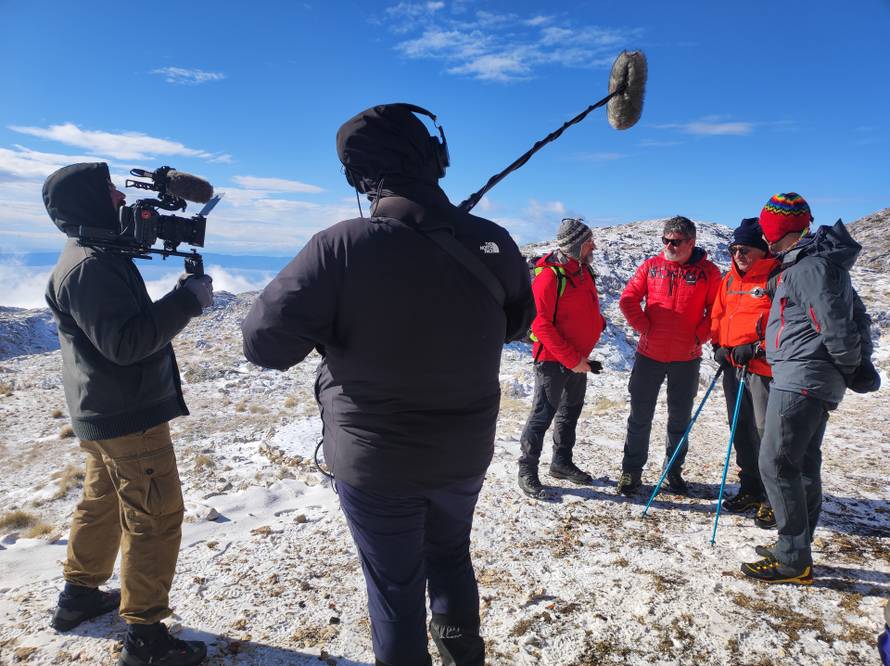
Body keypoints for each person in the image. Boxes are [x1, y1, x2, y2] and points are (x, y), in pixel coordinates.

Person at [241, 103, 534, 666]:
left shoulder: (340, 246)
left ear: (358, 176)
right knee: (450, 555)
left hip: (376, 463)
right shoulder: (492, 240)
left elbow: (265, 346)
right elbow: (516, 324)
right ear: (436, 158)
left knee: (396, 589)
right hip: (464, 450)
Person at [43, 162, 212, 666]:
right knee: (155, 516)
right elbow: (127, 343)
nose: (120, 198)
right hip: (128, 413)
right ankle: (146, 638)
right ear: (89, 203)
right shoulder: (91, 266)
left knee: (103, 501)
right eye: (111, 192)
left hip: (103, 410)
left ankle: (78, 595)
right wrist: (185, 300)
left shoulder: (91, 255)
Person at [741, 193, 880, 585]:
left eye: (768, 228)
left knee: (776, 463)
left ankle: (791, 559)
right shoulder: (814, 265)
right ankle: (796, 550)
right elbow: (857, 316)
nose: (765, 236)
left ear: (777, 230)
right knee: (800, 465)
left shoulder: (810, 269)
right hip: (807, 378)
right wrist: (856, 366)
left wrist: (854, 367)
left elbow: (836, 325)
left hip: (802, 380)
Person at [616, 216, 721, 496]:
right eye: (665, 240)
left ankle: (672, 471)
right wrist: (643, 327)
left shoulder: (709, 272)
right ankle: (631, 472)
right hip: (649, 355)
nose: (669, 246)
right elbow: (627, 299)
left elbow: (717, 311)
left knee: (679, 419)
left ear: (691, 242)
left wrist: (698, 337)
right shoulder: (651, 267)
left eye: (675, 242)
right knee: (640, 417)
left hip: (686, 359)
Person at [517, 217, 606, 499]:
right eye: (589, 241)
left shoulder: (583, 271)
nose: (594, 245)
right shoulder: (549, 277)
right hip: (553, 361)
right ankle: (527, 470)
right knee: (542, 415)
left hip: (578, 358)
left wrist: (597, 324)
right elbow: (540, 324)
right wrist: (571, 359)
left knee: (570, 412)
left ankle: (561, 463)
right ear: (578, 245)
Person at [710, 218, 778, 529]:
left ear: (762, 250)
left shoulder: (777, 277)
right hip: (733, 367)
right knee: (741, 430)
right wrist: (718, 345)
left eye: (745, 249)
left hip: (765, 370)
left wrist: (757, 347)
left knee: (768, 434)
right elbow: (718, 315)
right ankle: (750, 487)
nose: (739, 254)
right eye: (734, 248)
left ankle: (773, 498)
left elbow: (786, 325)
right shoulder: (728, 281)